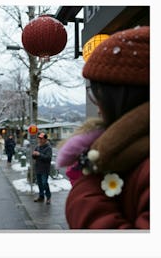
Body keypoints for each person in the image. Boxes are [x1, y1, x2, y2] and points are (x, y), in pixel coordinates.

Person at [62, 26, 150, 229]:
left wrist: (87, 192)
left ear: (123, 97)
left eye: (99, 95)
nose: (99, 109)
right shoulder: (128, 151)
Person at [32, 132, 52, 205]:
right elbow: (34, 157)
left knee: (44, 183)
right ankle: (41, 196)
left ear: (45, 139)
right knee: (39, 183)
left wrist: (39, 154)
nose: (39, 140)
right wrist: (34, 154)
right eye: (39, 138)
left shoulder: (48, 148)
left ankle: (48, 197)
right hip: (38, 168)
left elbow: (48, 158)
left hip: (45, 169)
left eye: (41, 139)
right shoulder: (37, 147)